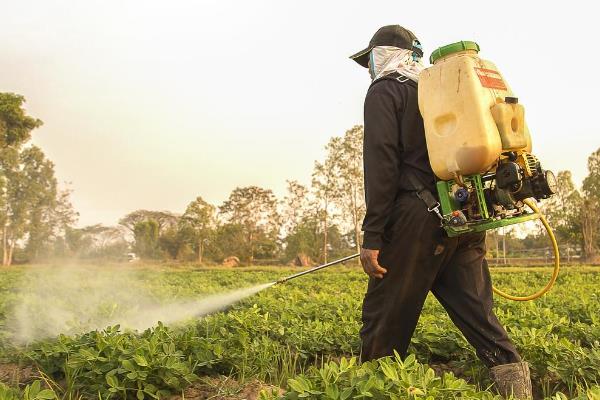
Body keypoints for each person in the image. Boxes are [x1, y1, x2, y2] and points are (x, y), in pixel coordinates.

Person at [350, 25, 532, 399]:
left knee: (384, 320)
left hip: (415, 222)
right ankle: (519, 391)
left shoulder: (387, 90)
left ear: (381, 55)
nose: (368, 69)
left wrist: (373, 237)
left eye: (368, 60)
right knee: (480, 318)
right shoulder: (442, 93)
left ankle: (372, 391)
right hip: (463, 216)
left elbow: (382, 166)